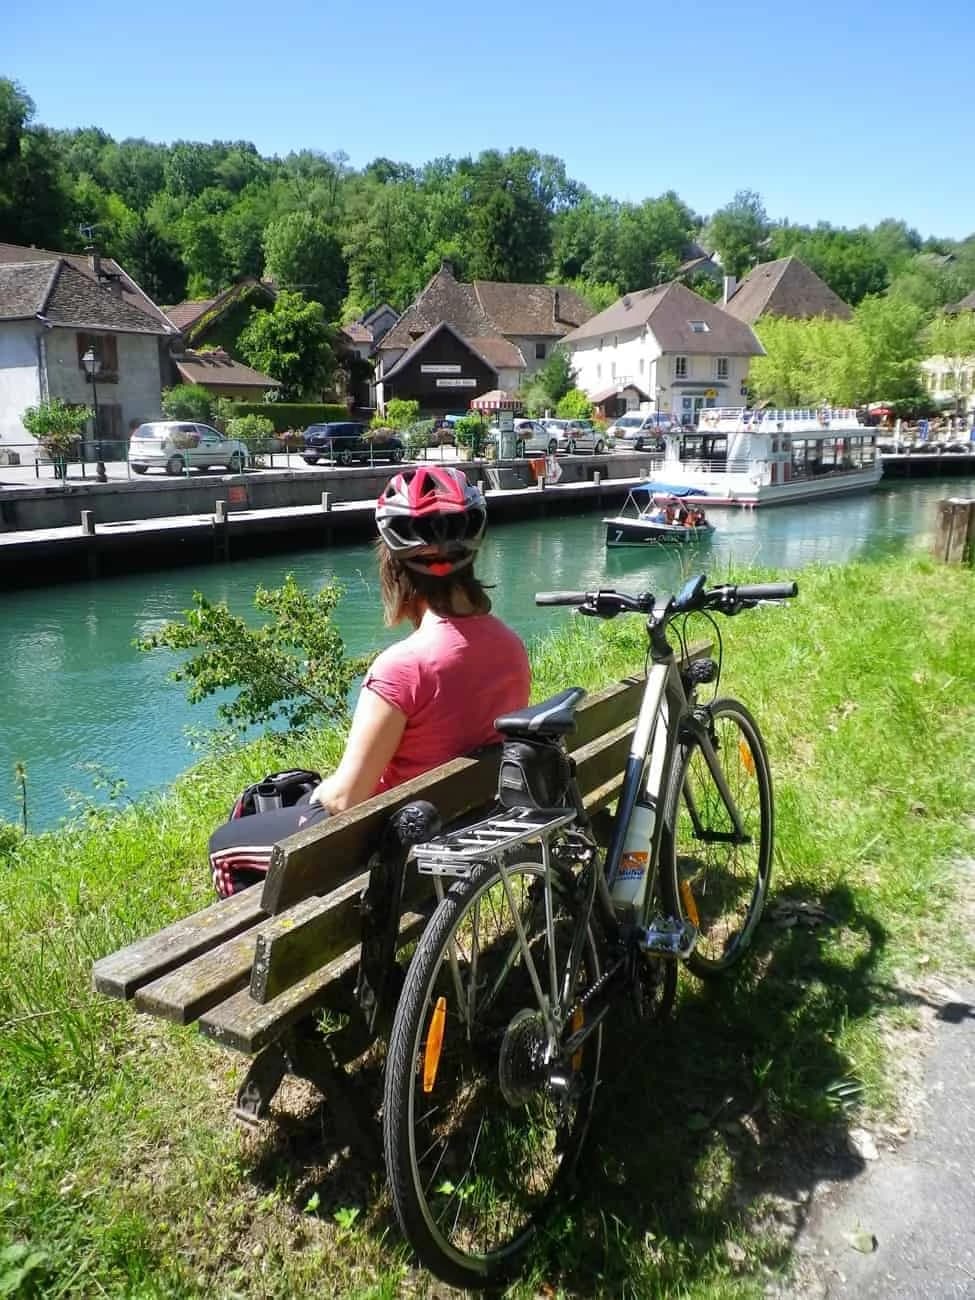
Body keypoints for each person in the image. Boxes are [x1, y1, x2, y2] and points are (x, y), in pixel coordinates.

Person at [208, 466, 531, 896]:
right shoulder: (511, 646)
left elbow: (345, 800)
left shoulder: (403, 667)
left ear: (395, 569)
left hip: (393, 850)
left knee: (224, 846)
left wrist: (312, 797)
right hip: (464, 834)